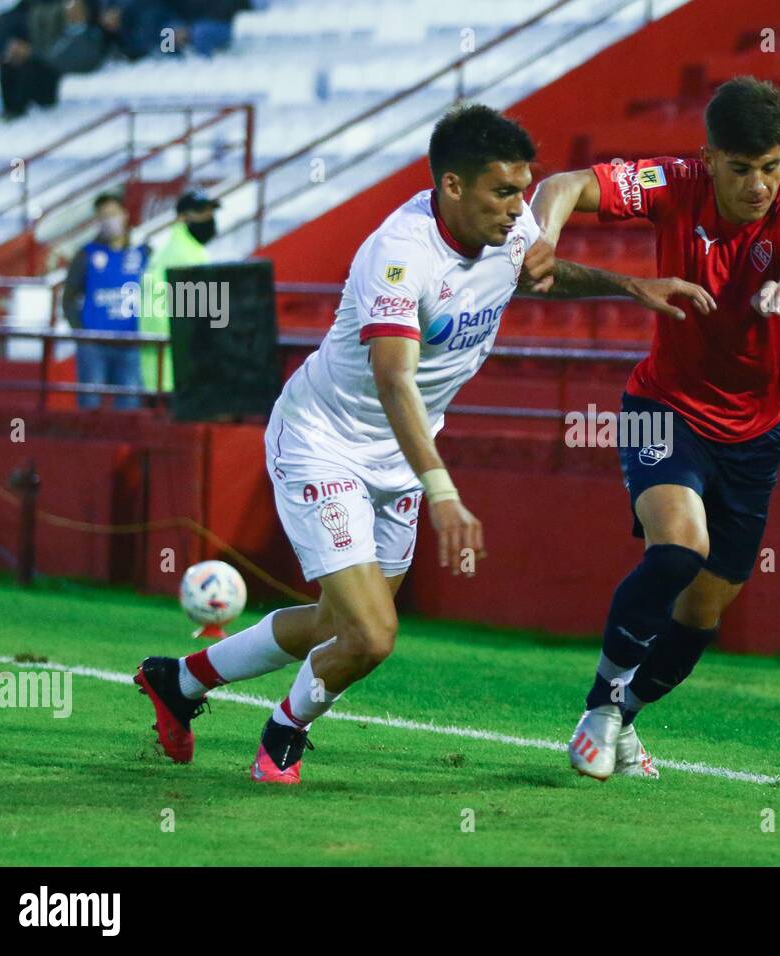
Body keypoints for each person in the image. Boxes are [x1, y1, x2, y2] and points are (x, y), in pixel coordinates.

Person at [132, 103, 708, 784]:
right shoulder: (399, 257)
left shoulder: (507, 224)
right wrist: (443, 491)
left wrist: (629, 286)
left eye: (523, 190)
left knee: (335, 625)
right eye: (503, 192)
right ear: (453, 187)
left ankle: (180, 679)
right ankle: (282, 733)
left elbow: (541, 275)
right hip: (325, 443)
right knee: (372, 635)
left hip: (400, 458)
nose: (518, 208)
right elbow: (394, 381)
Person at [530, 76, 780, 779]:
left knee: (703, 611)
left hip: (755, 436)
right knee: (678, 549)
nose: (760, 184)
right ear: (710, 158)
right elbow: (566, 183)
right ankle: (601, 707)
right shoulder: (674, 182)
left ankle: (626, 714)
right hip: (661, 409)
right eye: (742, 169)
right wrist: (541, 239)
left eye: (772, 167)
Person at [62, 191, 148, 410]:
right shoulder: (86, 255)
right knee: (90, 406)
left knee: (129, 406)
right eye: (103, 216)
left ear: (125, 215)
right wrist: (81, 334)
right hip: (94, 345)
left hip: (130, 343)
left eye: (113, 214)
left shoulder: (142, 253)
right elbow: (69, 297)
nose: (109, 220)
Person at [138, 187, 217, 401]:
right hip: (176, 371)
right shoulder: (185, 255)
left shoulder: (179, 250)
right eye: (202, 213)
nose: (209, 218)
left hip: (165, 370)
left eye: (211, 212)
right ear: (183, 217)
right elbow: (194, 318)